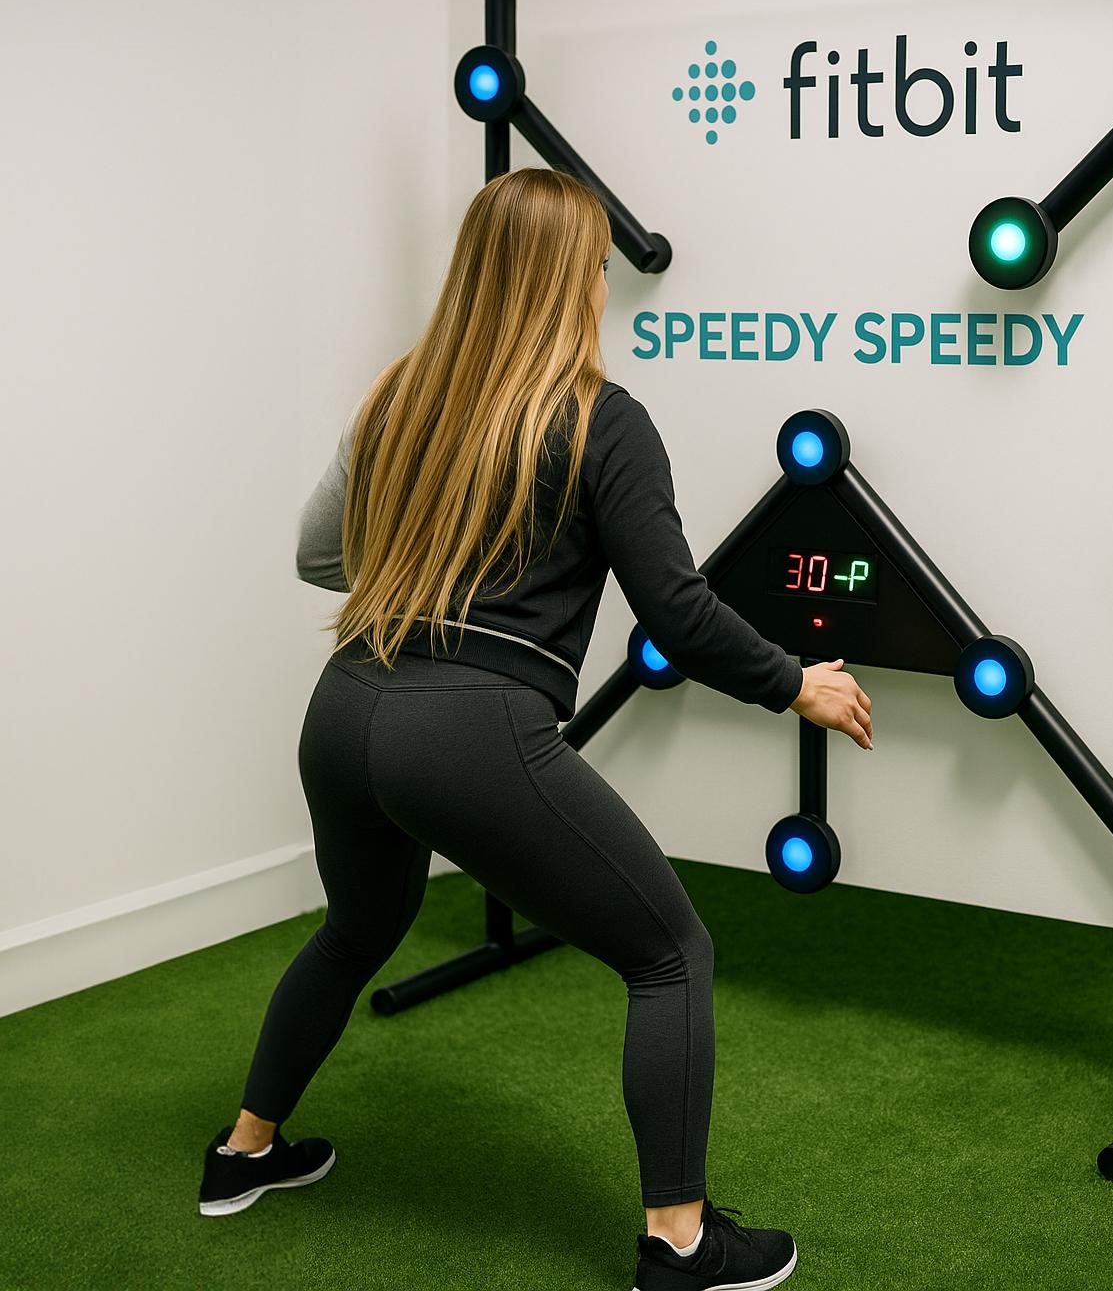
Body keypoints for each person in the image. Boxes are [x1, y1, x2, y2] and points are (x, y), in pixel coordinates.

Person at [196, 167, 873, 1290]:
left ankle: (243, 1153)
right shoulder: (604, 421)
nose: (603, 288)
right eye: (599, 269)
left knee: (358, 929)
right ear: (575, 281)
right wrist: (793, 681)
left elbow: (320, 555)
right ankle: (683, 1243)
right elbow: (679, 612)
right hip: (467, 730)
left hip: (347, 704)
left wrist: (436, 545)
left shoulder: (402, 395)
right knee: (669, 955)